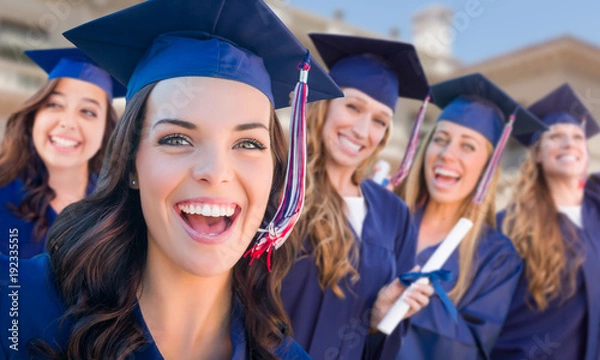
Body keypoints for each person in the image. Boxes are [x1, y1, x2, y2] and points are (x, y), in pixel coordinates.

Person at [0, 0, 343, 358]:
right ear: (131, 163)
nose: (215, 171)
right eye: (177, 139)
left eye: (248, 143)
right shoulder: (21, 307)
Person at [280, 33, 434, 360]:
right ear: (324, 104)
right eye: (352, 107)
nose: (363, 131)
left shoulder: (393, 213)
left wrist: (379, 319)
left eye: (380, 121)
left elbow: (386, 341)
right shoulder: (280, 187)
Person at [392, 73, 546, 360]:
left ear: (488, 167)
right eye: (440, 139)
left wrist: (420, 304)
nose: (447, 155)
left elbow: (470, 350)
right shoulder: (385, 218)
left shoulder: (497, 258)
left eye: (468, 146)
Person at [492, 83, 600, 360]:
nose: (569, 144)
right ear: (537, 153)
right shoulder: (509, 227)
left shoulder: (596, 214)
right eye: (556, 136)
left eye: (577, 137)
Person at [0, 48, 125, 258]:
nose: (67, 123)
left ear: (106, 130)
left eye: (87, 111)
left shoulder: (116, 213)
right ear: (34, 117)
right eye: (55, 104)